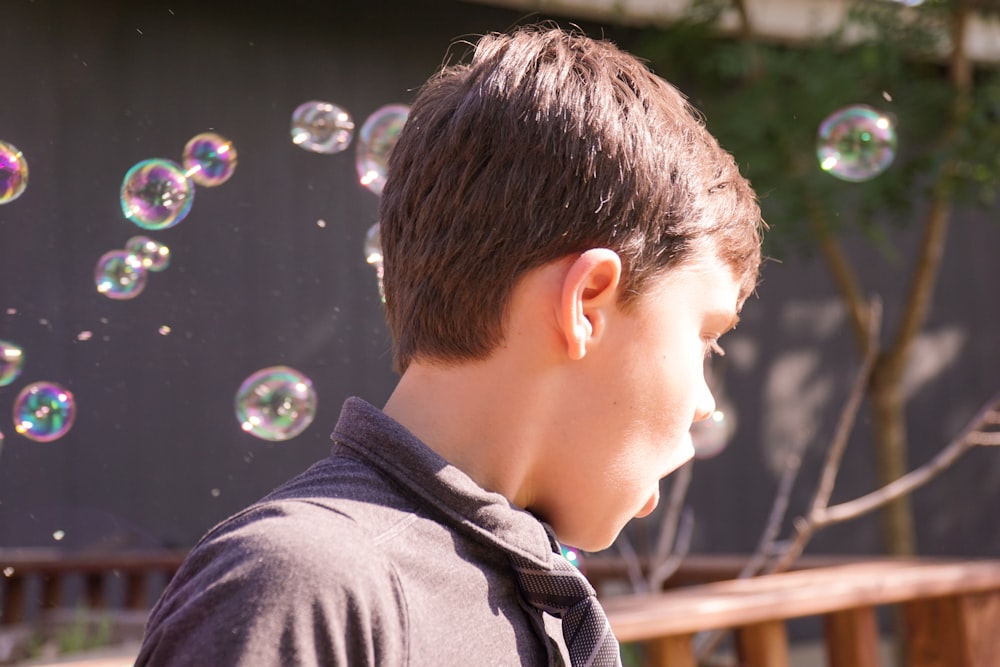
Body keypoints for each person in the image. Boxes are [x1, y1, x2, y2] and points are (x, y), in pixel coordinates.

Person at [135, 25, 764, 666]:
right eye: (707, 337)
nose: (705, 406)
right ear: (586, 304)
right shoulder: (304, 587)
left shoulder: (516, 585)